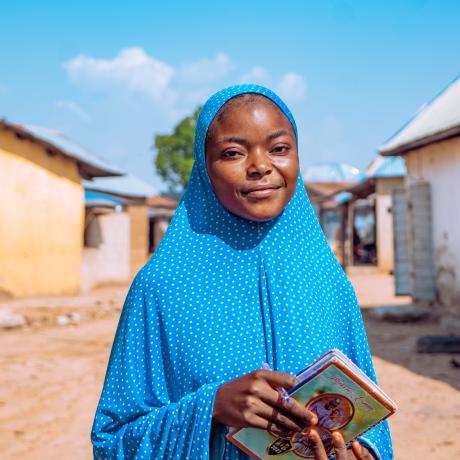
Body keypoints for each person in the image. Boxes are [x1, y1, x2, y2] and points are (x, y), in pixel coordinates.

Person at [91, 85, 393, 459]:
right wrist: (211, 407)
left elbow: (369, 420)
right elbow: (112, 441)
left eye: (279, 149)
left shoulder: (330, 284)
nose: (260, 166)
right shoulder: (161, 288)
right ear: (205, 168)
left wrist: (362, 452)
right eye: (233, 153)